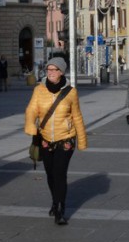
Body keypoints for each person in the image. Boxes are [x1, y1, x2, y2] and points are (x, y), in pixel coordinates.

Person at [23, 57, 87, 225]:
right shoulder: (39, 90)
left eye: (54, 69)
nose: (50, 72)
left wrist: (82, 140)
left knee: (59, 173)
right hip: (45, 139)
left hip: (65, 139)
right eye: (48, 69)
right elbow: (31, 109)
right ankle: (54, 200)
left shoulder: (71, 92)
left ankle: (60, 209)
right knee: (50, 174)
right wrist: (30, 125)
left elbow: (77, 116)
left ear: (61, 72)